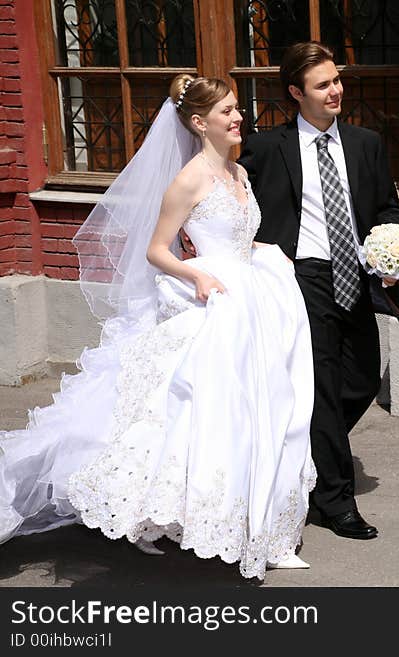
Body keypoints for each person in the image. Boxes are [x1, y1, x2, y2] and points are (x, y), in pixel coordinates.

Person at [0, 75, 316, 579]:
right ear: (198, 123)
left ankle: (263, 527)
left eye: (237, 109)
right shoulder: (189, 179)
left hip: (252, 301)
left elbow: (236, 235)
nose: (239, 118)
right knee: (206, 419)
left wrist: (259, 254)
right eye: (227, 112)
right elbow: (157, 250)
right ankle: (202, 522)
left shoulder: (239, 172)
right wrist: (198, 275)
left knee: (267, 414)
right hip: (215, 304)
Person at [239, 41, 399, 540]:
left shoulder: (365, 143)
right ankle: (335, 501)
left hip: (355, 276)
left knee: (361, 380)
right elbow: (228, 191)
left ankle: (311, 460)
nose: (335, 91)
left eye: (337, 80)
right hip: (302, 279)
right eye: (322, 84)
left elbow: (385, 209)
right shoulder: (269, 148)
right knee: (323, 390)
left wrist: (392, 252)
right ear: (296, 92)